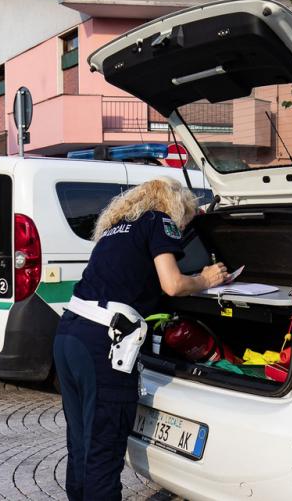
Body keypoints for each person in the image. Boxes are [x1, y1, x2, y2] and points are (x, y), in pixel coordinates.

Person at [53, 177, 227, 501]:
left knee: (80, 444)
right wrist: (205, 278)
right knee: (103, 452)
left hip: (69, 334)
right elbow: (172, 284)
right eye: (185, 217)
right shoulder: (159, 220)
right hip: (103, 345)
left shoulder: (117, 227)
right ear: (176, 207)